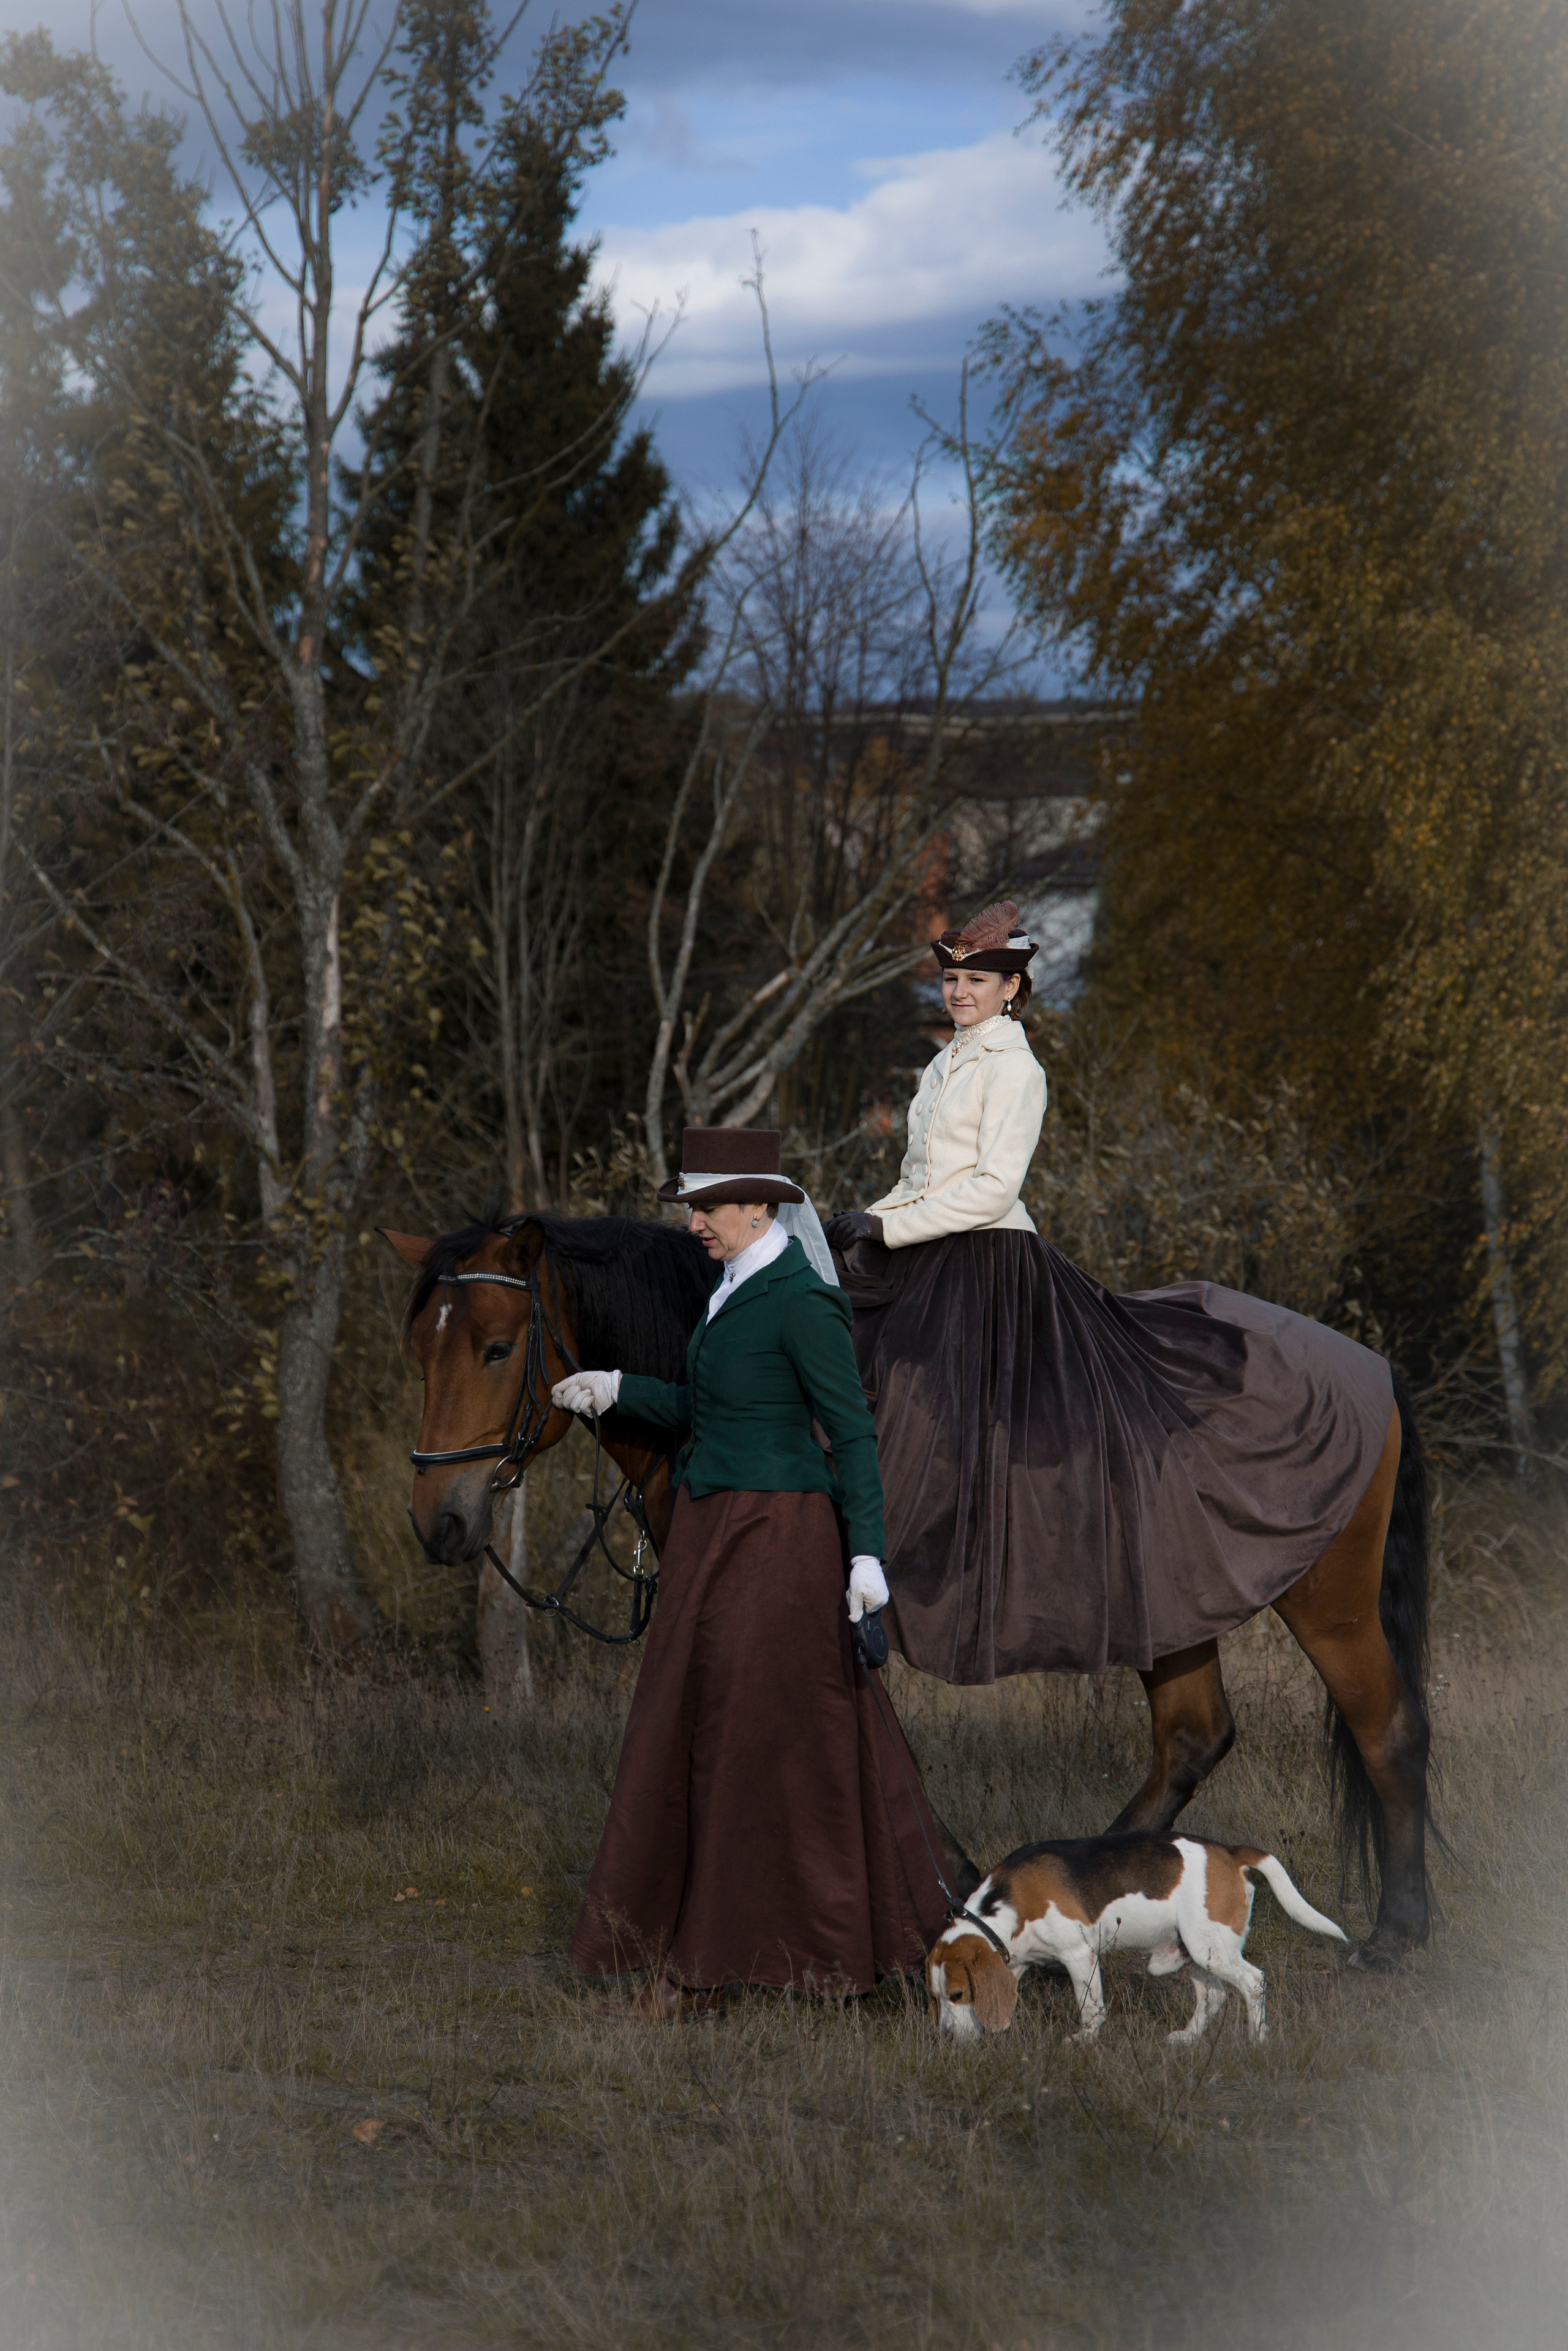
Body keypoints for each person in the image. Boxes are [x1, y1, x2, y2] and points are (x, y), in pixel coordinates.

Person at [824, 899, 1393, 1688]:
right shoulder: (941, 1063)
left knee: (947, 1422)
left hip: (987, 1258)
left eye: (976, 981)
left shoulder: (1017, 1068)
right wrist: (861, 1221)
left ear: (1010, 991)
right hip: (926, 1246)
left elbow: (992, 1190)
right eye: (952, 979)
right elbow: (919, 1177)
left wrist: (885, 1233)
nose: (959, 992)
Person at [551, 1125, 952, 2018]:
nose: (694, 1222)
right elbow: (713, 1403)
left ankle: (714, 1967)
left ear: (761, 1206)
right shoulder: (733, 1288)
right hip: (714, 1531)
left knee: (753, 1740)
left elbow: (849, 1430)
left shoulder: (800, 1298)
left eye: (707, 1206)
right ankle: (744, 1951)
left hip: (776, 1537)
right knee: (718, 1732)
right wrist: (620, 1388)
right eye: (692, 1206)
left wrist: (865, 1555)